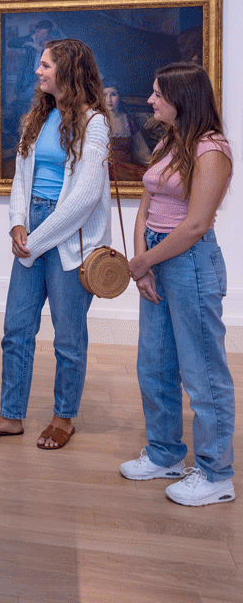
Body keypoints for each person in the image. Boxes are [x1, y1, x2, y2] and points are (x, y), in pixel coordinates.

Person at [0, 39, 111, 450]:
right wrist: (17, 222)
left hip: (66, 239)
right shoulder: (39, 117)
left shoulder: (94, 123)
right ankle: (11, 416)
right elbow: (21, 179)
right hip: (32, 230)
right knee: (16, 330)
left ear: (67, 71)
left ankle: (64, 417)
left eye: (45, 64)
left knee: (68, 337)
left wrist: (36, 238)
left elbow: (83, 200)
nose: (37, 71)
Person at [119, 62, 234, 506]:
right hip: (156, 258)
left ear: (181, 99)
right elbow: (146, 202)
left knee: (202, 372)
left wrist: (144, 260)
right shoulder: (169, 140)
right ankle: (166, 453)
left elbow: (196, 224)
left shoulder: (211, 150)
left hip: (190, 263)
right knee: (155, 364)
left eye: (157, 94)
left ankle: (215, 473)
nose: (150, 100)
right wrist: (142, 261)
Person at [104, 81, 152, 178]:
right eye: (104, 95)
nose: (109, 99)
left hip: (127, 167)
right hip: (107, 169)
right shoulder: (97, 120)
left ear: (119, 96)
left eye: (113, 94)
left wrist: (155, 165)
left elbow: (142, 150)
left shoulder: (127, 120)